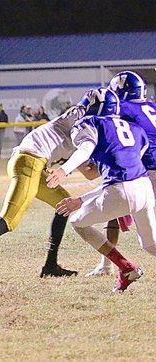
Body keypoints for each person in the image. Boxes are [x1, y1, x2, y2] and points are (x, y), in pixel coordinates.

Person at [0, 88, 111, 284]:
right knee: (9, 219)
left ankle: (50, 265)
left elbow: (89, 173)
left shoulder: (81, 120)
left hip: (33, 163)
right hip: (30, 161)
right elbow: (87, 154)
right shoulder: (83, 120)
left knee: (64, 205)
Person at [47, 90, 153, 292]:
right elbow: (129, 168)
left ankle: (125, 267)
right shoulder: (134, 128)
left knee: (78, 222)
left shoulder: (91, 123)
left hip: (121, 191)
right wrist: (82, 199)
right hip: (144, 188)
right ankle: (124, 269)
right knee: (150, 245)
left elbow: (86, 148)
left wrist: (64, 170)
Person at [87, 71, 156, 276]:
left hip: (146, 172)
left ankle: (109, 265)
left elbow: (110, 132)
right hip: (145, 170)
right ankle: (106, 265)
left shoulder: (123, 108)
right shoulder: (152, 107)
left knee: (117, 210)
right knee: (115, 215)